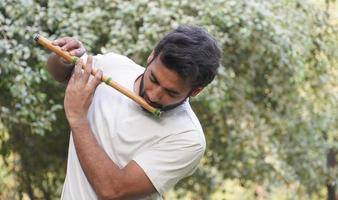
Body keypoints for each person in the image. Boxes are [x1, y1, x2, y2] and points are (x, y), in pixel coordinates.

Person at [47, 25, 221, 200]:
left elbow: (112, 190)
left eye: (171, 93)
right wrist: (63, 57)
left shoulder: (188, 138)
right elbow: (60, 73)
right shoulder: (113, 65)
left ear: (195, 91)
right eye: (153, 78)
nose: (154, 95)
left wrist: (78, 119)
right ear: (152, 56)